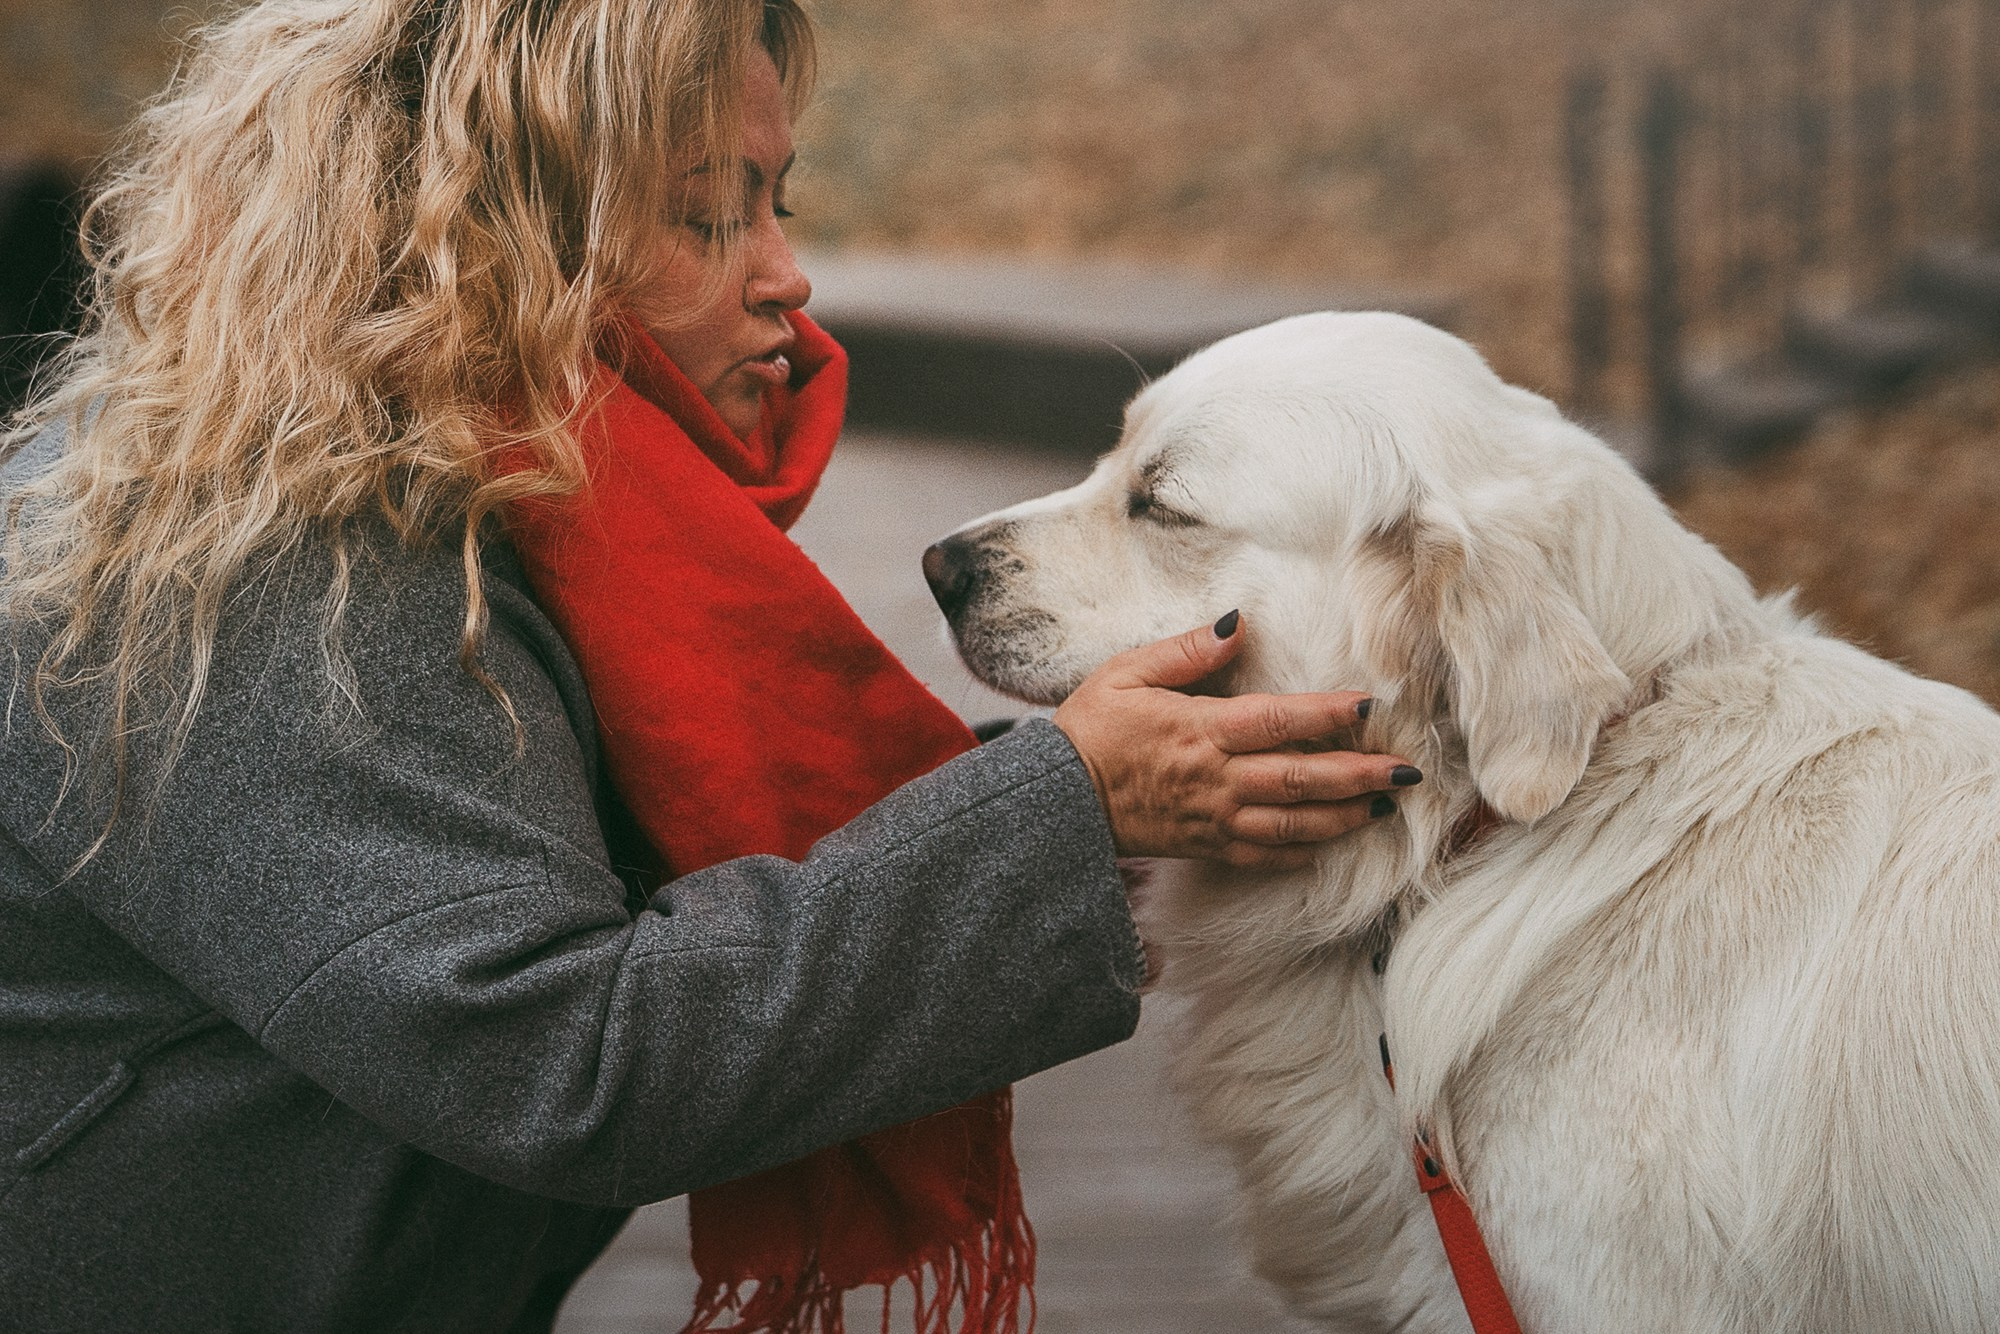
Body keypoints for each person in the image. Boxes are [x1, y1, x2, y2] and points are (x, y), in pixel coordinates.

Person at [0, 2, 1418, 1331]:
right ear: (496, 240)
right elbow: (558, 1053)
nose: (788, 276)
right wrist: (1069, 808)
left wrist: (1104, 792)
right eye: (705, 214)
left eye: (773, 201)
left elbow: (685, 870)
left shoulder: (470, 492)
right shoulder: (271, 558)